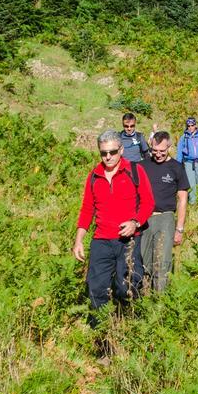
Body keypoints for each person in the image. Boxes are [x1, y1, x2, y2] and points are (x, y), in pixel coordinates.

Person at [73, 131, 154, 330]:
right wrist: (79, 240)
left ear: (121, 150)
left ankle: (129, 326)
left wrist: (135, 222)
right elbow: (87, 209)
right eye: (103, 153)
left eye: (112, 152)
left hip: (129, 241)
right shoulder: (94, 176)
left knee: (126, 286)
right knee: (97, 288)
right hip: (101, 240)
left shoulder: (135, 171)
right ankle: (102, 337)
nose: (108, 157)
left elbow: (148, 202)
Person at [140, 131, 189, 293]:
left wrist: (179, 229)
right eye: (155, 150)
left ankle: (160, 303)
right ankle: (144, 300)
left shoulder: (177, 167)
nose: (158, 154)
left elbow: (182, 199)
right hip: (144, 220)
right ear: (150, 146)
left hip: (165, 218)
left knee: (162, 263)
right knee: (143, 261)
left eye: (162, 151)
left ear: (169, 147)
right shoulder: (142, 165)